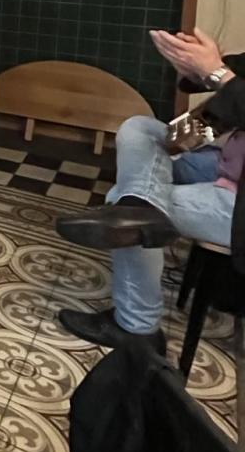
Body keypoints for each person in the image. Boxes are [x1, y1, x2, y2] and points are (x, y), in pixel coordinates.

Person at [55, 26, 244, 353]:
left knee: (125, 210)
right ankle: (141, 204)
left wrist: (214, 72)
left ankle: (136, 327)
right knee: (140, 129)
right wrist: (195, 68)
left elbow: (229, 85)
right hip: (223, 165)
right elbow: (231, 87)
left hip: (237, 202)